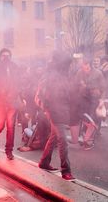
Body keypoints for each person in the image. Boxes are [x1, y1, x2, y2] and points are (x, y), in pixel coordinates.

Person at [36, 51, 75, 181]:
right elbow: (41, 93)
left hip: (63, 109)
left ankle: (44, 162)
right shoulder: (50, 74)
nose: (69, 66)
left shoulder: (64, 74)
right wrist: (48, 107)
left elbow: (67, 92)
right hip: (54, 110)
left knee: (54, 137)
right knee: (63, 139)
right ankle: (66, 170)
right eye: (67, 64)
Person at [0, 48, 23, 160]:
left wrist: (22, 96)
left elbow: (19, 83)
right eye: (3, 56)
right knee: (0, 125)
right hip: (0, 101)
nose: (6, 58)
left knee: (11, 127)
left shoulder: (15, 68)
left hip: (12, 100)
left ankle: (9, 151)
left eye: (8, 56)